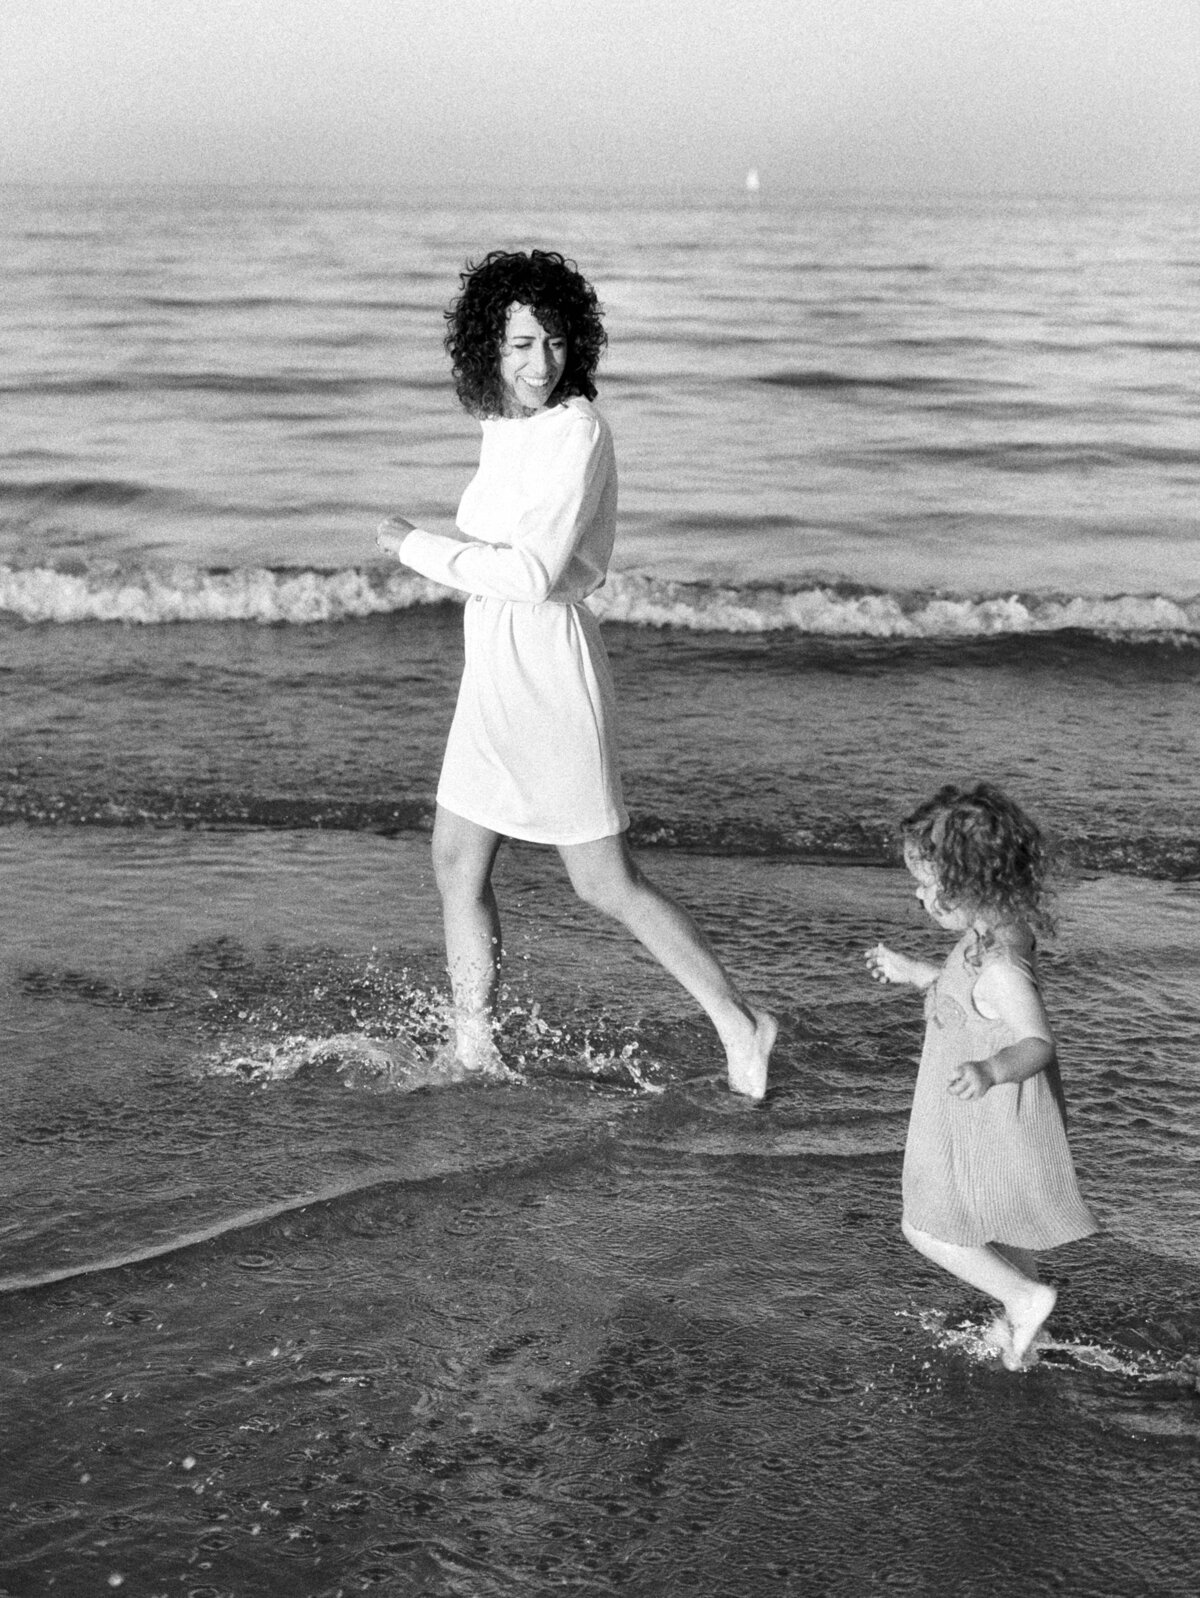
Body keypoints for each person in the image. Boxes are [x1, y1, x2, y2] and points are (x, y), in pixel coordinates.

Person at [376, 248, 775, 1099]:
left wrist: (413, 546)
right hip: (492, 665)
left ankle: (742, 1022)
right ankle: (474, 1048)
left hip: (547, 667)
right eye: (521, 344)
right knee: (456, 861)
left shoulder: (577, 431)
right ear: (490, 346)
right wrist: (451, 554)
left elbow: (528, 573)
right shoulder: (508, 426)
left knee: (603, 881)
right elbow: (499, 557)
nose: (539, 363)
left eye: (554, 343)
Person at [865, 782, 1096, 1369]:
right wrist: (917, 973)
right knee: (1006, 1217)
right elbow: (965, 999)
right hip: (985, 1116)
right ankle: (1022, 1322)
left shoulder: (1000, 968)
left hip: (984, 1111)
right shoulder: (992, 934)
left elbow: (1037, 1042)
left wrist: (991, 1069)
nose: (919, 898)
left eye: (927, 885)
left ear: (968, 883)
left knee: (926, 1226)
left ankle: (1023, 1297)